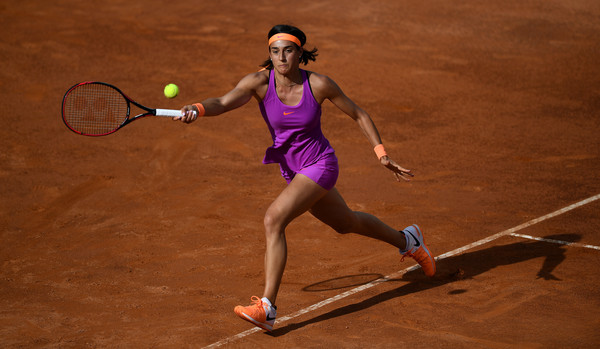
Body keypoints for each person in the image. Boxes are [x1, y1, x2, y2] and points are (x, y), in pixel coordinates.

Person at [175, 24, 436, 332]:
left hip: (320, 165)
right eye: (275, 51)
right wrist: (198, 108)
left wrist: (382, 154)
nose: (281, 58)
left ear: (300, 53)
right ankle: (408, 240)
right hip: (293, 170)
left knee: (274, 219)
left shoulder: (319, 85)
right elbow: (224, 101)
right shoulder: (258, 82)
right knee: (346, 223)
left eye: (288, 51)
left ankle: (267, 308)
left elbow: (359, 114)